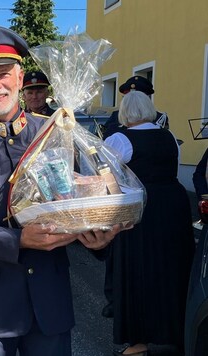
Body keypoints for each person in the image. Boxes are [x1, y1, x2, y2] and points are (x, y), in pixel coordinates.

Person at [0, 25, 123, 356]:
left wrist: (99, 236)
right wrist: (17, 239)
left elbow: (77, 200)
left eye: (3, 74)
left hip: (49, 302)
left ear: (19, 78)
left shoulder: (53, 131)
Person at [103, 91, 195, 356]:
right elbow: (173, 168)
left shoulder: (120, 138)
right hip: (174, 206)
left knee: (136, 269)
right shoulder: (169, 137)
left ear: (124, 113)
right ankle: (176, 333)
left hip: (140, 206)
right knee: (174, 267)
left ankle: (138, 341)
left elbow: (107, 176)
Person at [102, 76, 168, 139]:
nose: (132, 101)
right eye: (128, 97)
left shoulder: (159, 117)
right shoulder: (116, 115)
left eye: (137, 98)